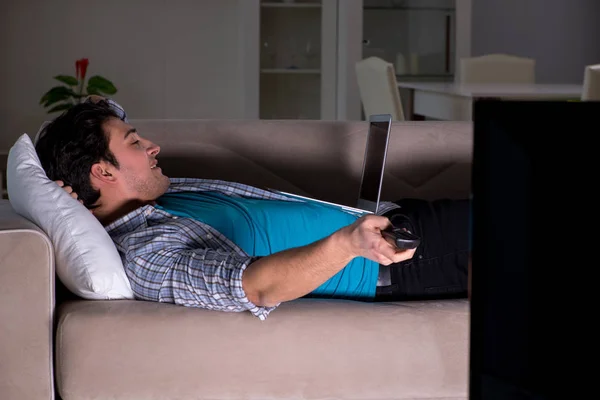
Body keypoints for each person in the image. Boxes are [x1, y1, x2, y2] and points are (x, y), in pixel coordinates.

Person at [35, 98, 470, 320]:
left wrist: (70, 200)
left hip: (402, 219)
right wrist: (348, 242)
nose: (152, 146)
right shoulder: (147, 253)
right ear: (103, 173)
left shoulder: (159, 197)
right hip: (405, 260)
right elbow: (255, 287)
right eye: (133, 142)